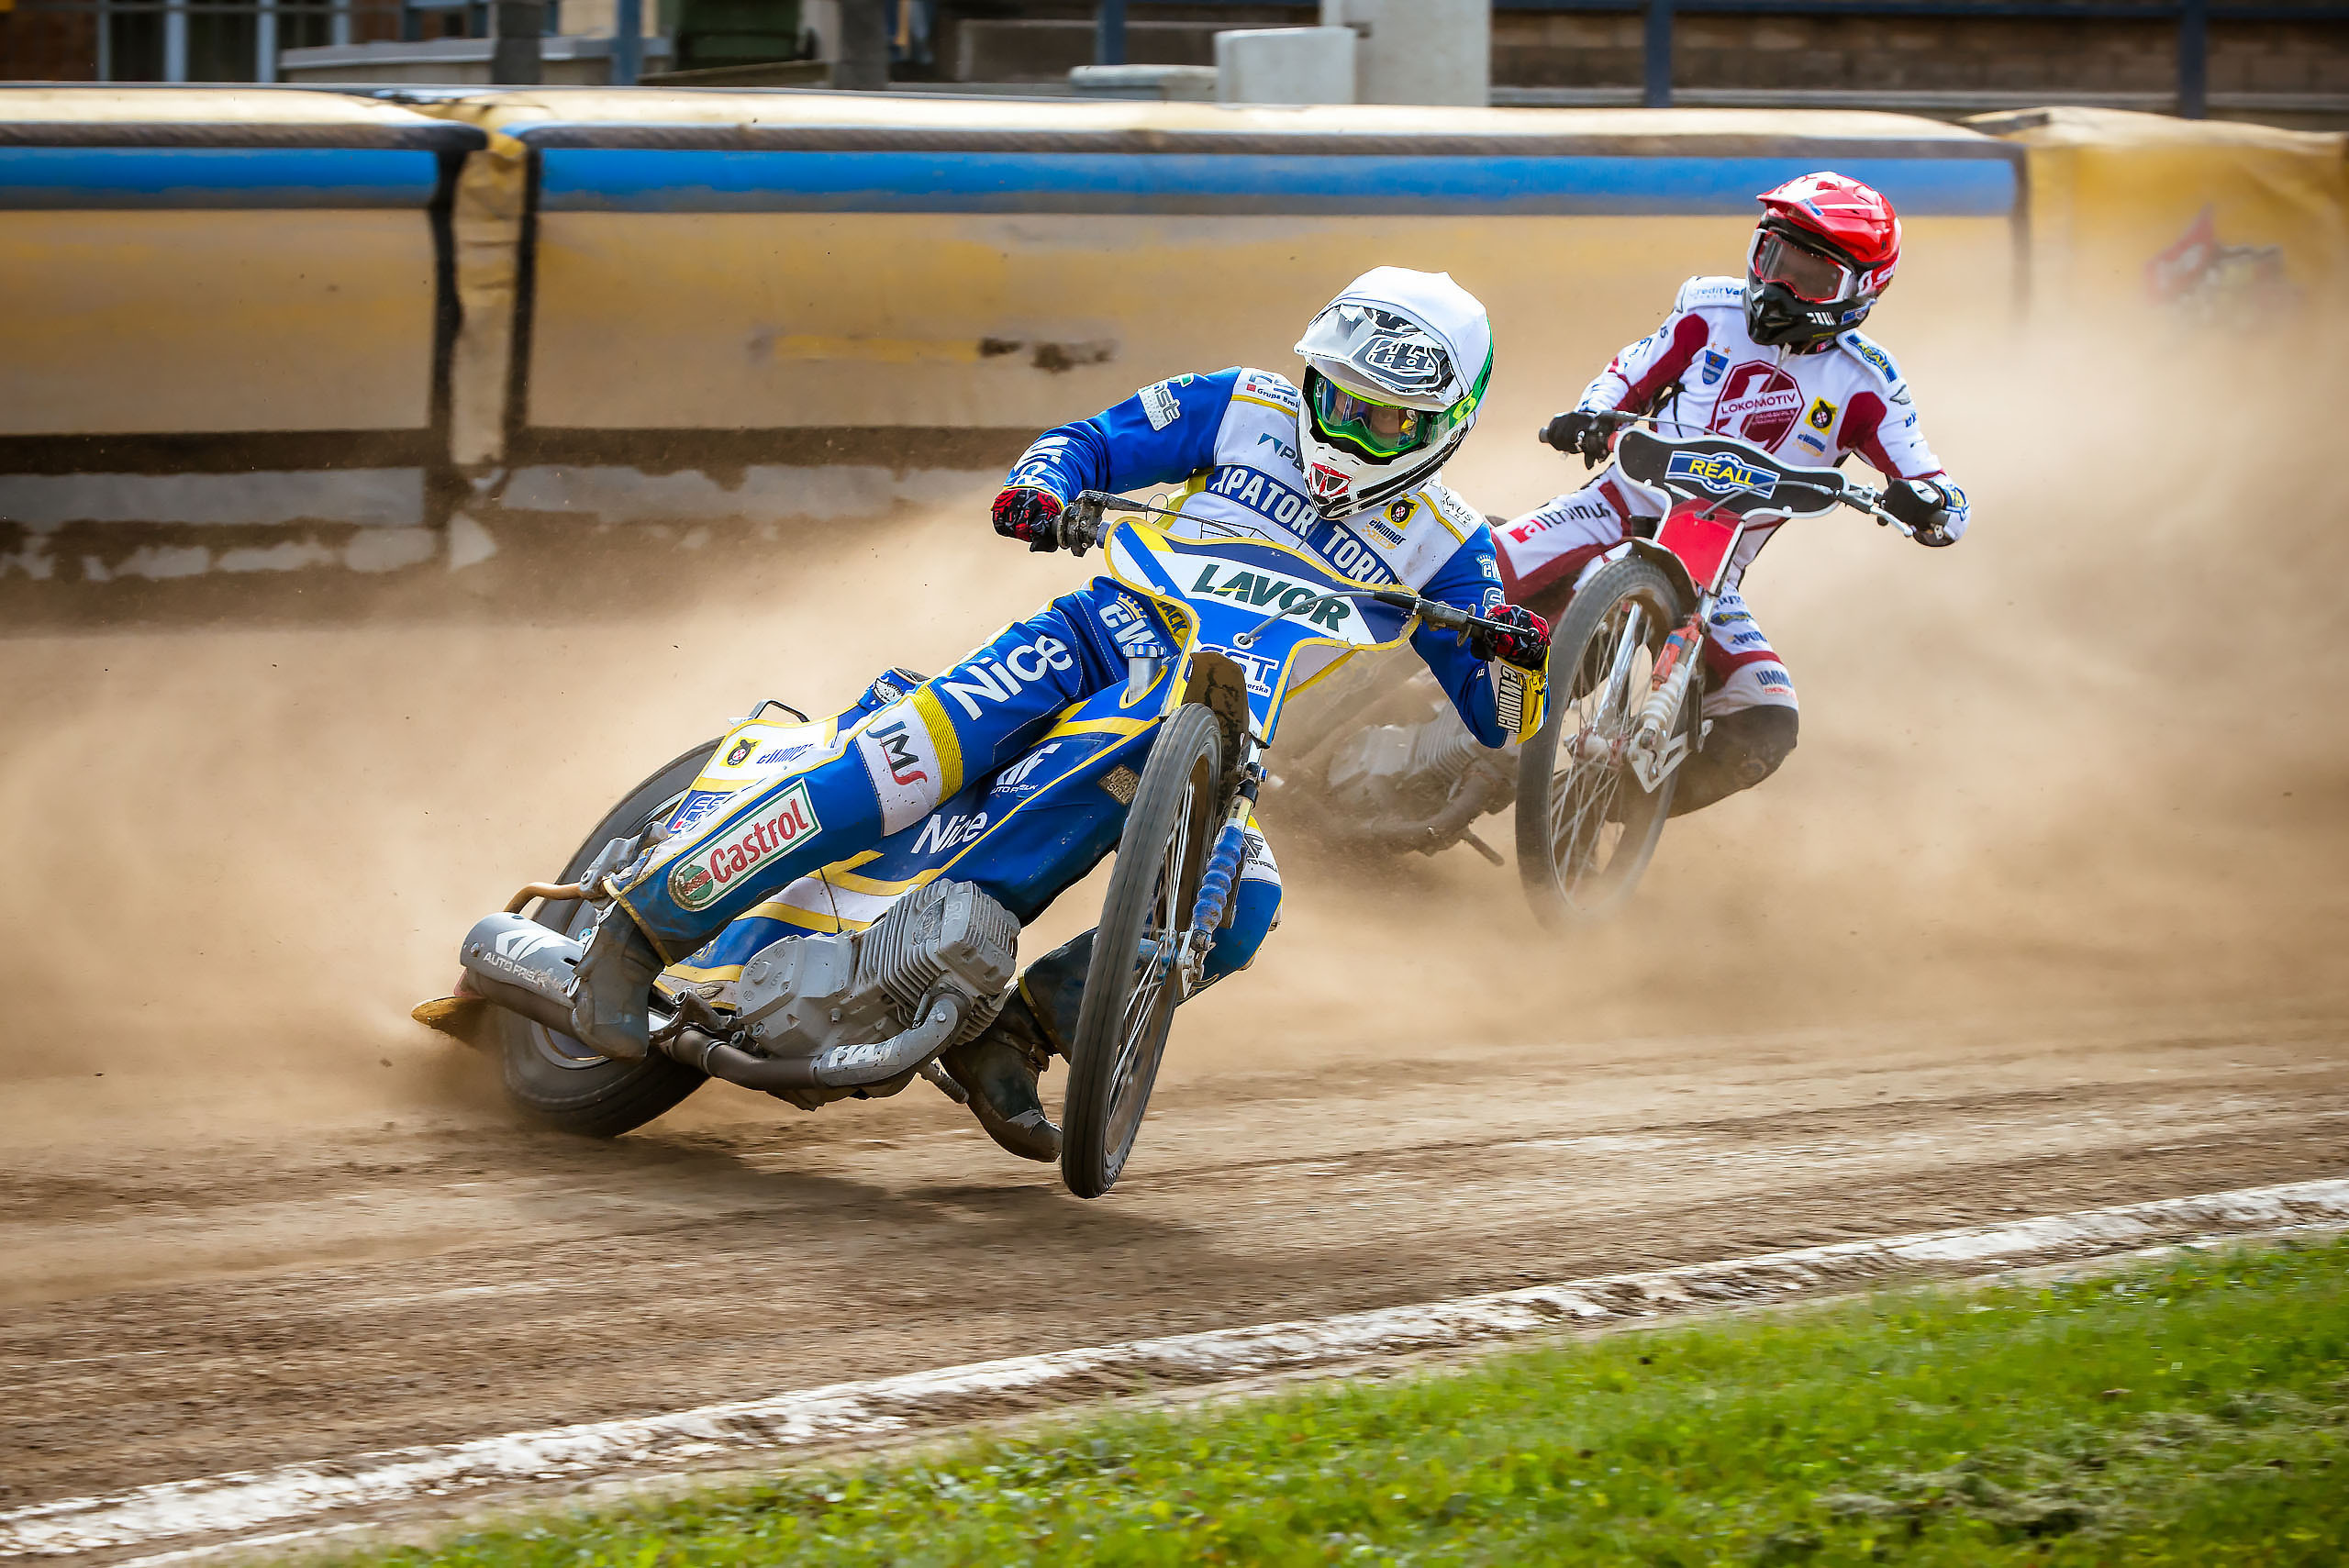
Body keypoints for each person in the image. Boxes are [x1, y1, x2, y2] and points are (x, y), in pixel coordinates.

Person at [565, 267, 1552, 1161]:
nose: (1344, 428)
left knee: (1241, 906)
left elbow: (1503, 722)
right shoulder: (1243, 403)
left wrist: (1520, 650)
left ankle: (1018, 1031)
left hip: (1227, 740)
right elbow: (1089, 442)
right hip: (1090, 640)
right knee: (901, 766)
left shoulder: (1450, 543)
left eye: (1383, 421)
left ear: (1442, 426)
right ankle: (635, 936)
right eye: (1336, 397)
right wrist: (1042, 488)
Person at [1499, 171, 1970, 815]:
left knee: (1767, 716)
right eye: (1772, 258)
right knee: (1471, 574)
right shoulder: (1707, 307)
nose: (1779, 286)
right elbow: (1627, 373)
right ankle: (1350, 691)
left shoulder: (1868, 384)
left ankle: (1578, 811)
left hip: (1711, 574)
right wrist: (1591, 414)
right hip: (1612, 507)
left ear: (1862, 291)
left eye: (1809, 277)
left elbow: (1940, 491)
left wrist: (1931, 508)